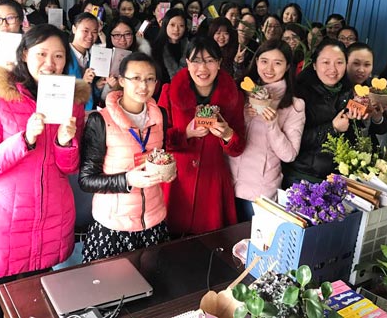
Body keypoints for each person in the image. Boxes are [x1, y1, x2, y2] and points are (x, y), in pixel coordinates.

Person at [0, 24, 90, 318]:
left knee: (40, 298)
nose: (50, 63)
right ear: (24, 54)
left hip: (52, 216)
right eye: (41, 54)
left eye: (58, 56)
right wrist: (23, 140)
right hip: (7, 218)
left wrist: (65, 142)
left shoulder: (72, 101)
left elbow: (69, 167)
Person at [79, 52, 173, 261]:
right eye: (136, 78)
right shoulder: (100, 121)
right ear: (121, 81)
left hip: (154, 220)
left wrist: (167, 170)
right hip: (114, 225)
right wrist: (128, 180)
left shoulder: (161, 116)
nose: (143, 86)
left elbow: (159, 156)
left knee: (154, 279)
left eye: (150, 79)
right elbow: (86, 180)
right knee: (112, 282)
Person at [158, 37, 245, 235]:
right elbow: (158, 140)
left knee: (209, 242)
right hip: (177, 180)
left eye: (210, 60)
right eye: (196, 61)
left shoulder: (234, 96)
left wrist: (227, 134)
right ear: (187, 63)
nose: (203, 68)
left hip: (212, 182)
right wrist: (186, 134)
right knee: (170, 240)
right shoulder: (169, 92)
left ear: (219, 63)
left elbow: (238, 148)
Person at [285, 40, 386, 184]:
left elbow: (358, 137)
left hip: (337, 177)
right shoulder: (299, 94)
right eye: (326, 62)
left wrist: (362, 117)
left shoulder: (350, 92)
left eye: (339, 63)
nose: (333, 69)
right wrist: (332, 128)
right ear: (314, 65)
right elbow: (293, 141)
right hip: (305, 176)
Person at [229, 41, 305, 221]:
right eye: (264, 61)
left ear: (287, 67)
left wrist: (272, 125)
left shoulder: (294, 105)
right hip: (227, 183)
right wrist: (243, 115)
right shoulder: (240, 93)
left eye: (277, 63)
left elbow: (289, 155)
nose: (269, 69)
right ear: (256, 62)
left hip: (259, 193)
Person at [66, 12, 100, 110]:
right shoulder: (63, 55)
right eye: (85, 31)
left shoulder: (94, 58)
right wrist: (83, 83)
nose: (90, 36)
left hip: (88, 112)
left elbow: (92, 96)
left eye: (94, 32)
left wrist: (97, 87)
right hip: (70, 113)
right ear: (74, 29)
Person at [152, 8, 188, 85]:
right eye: (172, 25)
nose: (176, 29)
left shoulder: (189, 47)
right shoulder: (156, 48)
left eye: (181, 26)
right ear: (165, 25)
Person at [233, 13, 259, 81]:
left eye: (251, 26)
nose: (247, 28)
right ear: (237, 25)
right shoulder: (228, 42)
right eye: (244, 23)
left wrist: (238, 64)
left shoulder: (257, 50)